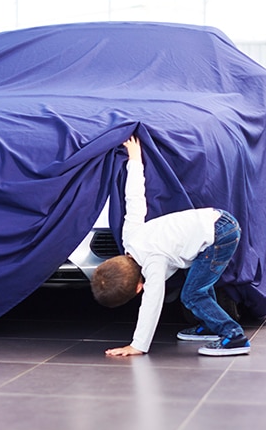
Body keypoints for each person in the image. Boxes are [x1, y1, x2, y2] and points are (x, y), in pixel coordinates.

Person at [91, 135, 250, 357]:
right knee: (196, 280)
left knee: (192, 294)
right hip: (213, 224)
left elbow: (151, 305)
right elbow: (134, 198)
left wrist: (137, 345)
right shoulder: (130, 238)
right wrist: (134, 159)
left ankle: (234, 337)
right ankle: (209, 325)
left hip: (220, 233)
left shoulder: (154, 262)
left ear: (138, 288)